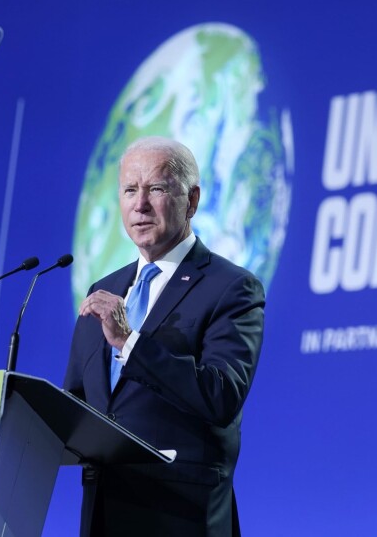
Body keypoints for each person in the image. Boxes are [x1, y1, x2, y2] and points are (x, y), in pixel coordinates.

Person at [64, 136, 265, 536]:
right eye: (129, 190)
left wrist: (129, 342)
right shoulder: (103, 292)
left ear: (191, 200)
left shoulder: (232, 288)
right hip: (103, 512)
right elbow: (74, 403)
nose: (140, 204)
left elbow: (221, 394)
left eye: (156, 188)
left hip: (182, 515)